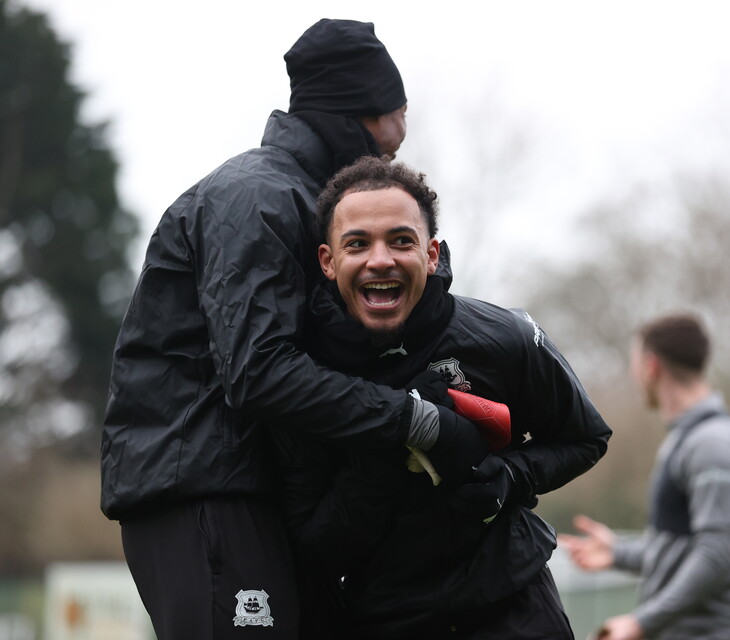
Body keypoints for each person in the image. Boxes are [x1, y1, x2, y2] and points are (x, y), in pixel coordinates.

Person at [100, 20, 490, 640]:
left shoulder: (310, 199)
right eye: (388, 147)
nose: (391, 163)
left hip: (257, 494)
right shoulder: (256, 198)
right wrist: (416, 421)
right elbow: (260, 373)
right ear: (363, 112)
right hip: (205, 490)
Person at [272, 156, 612, 639]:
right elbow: (316, 550)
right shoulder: (301, 375)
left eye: (401, 240)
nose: (381, 259)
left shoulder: (505, 336)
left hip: (515, 606)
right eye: (358, 243)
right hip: (384, 621)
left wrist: (508, 476)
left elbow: (587, 438)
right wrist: (395, 438)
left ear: (432, 254)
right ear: (328, 261)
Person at [559, 313, 730, 640]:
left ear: (651, 367)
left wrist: (643, 622)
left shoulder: (714, 443)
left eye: (634, 364)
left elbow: (717, 552)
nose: (634, 375)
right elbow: (684, 548)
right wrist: (617, 553)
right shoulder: (686, 438)